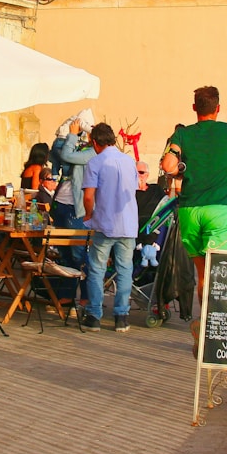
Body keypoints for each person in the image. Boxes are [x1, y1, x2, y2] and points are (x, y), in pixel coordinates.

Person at [161, 86, 227, 306]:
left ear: (194, 107)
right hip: (219, 209)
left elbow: (168, 166)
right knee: (217, 272)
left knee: (203, 272)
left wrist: (181, 167)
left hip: (189, 210)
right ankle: (212, 323)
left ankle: (203, 319)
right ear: (218, 108)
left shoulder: (182, 134)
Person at [81, 123, 139, 333]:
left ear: (95, 143)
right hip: (128, 223)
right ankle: (121, 317)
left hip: (105, 223)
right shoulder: (129, 161)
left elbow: (88, 196)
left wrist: (89, 214)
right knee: (125, 270)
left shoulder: (95, 162)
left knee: (97, 269)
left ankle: (94, 315)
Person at [51, 119, 96, 230]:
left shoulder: (93, 152)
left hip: (75, 207)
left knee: (76, 241)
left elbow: (66, 156)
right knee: (59, 240)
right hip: (60, 202)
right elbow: (59, 151)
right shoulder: (81, 147)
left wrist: (72, 135)